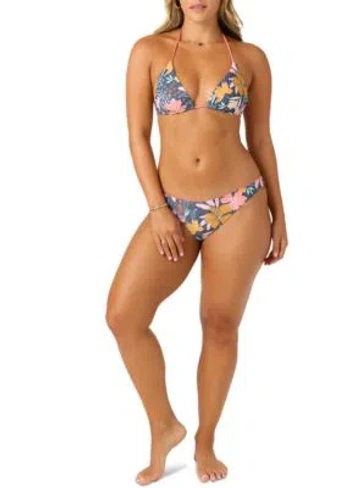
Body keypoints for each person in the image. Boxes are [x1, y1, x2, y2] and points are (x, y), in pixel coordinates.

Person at [105, 0, 288, 484]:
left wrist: (280, 214)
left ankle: (206, 441)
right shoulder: (148, 51)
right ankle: (164, 426)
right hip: (174, 208)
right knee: (123, 316)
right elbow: (138, 137)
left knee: (220, 323)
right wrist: (158, 210)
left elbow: (261, 140)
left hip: (241, 203)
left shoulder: (250, 58)